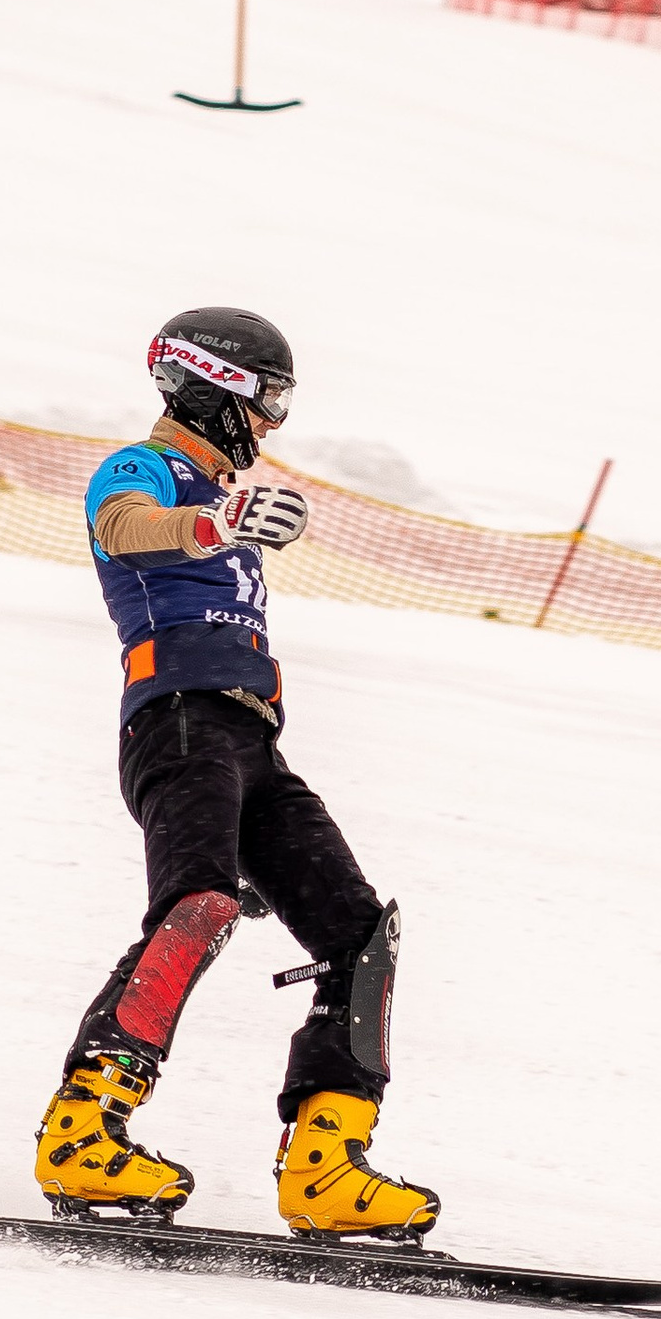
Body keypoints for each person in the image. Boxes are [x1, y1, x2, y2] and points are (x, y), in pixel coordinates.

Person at [33, 303, 439, 1238]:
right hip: (176, 724)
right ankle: (83, 1131)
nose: (270, 428)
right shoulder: (145, 470)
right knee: (197, 906)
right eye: (269, 404)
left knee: (359, 934)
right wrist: (217, 523)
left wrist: (226, 518)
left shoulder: (213, 492)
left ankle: (328, 1167)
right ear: (215, 387)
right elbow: (129, 526)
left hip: (250, 741)